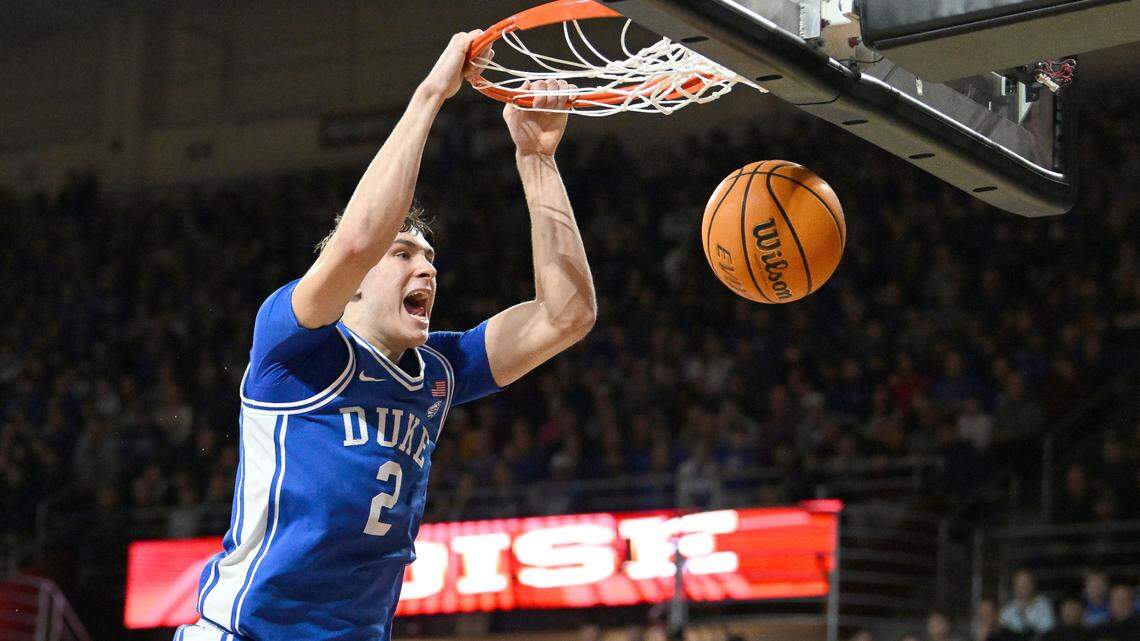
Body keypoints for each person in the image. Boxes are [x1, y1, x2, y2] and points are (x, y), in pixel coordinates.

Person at [176, 31, 596, 641]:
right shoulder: (293, 349)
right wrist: (430, 96)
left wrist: (537, 161)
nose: (425, 268)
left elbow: (567, 315)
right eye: (403, 254)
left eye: (429, 258)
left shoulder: (439, 369)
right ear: (352, 286)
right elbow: (356, 240)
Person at [1000, 569, 1056, 636]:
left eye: (1025, 583)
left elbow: (1047, 628)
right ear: (1013, 587)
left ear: (1032, 585)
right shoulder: (1007, 611)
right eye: (1019, 583)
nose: (1023, 587)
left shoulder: (1044, 605)